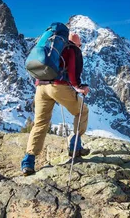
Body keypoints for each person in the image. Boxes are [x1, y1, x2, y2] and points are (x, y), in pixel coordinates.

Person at [21, 31, 90, 175]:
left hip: (41, 88)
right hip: (58, 87)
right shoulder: (72, 49)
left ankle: (28, 162)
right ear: (77, 42)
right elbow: (72, 73)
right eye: (80, 44)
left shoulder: (51, 48)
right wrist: (80, 87)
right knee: (82, 111)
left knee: (40, 123)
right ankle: (75, 146)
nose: (81, 46)